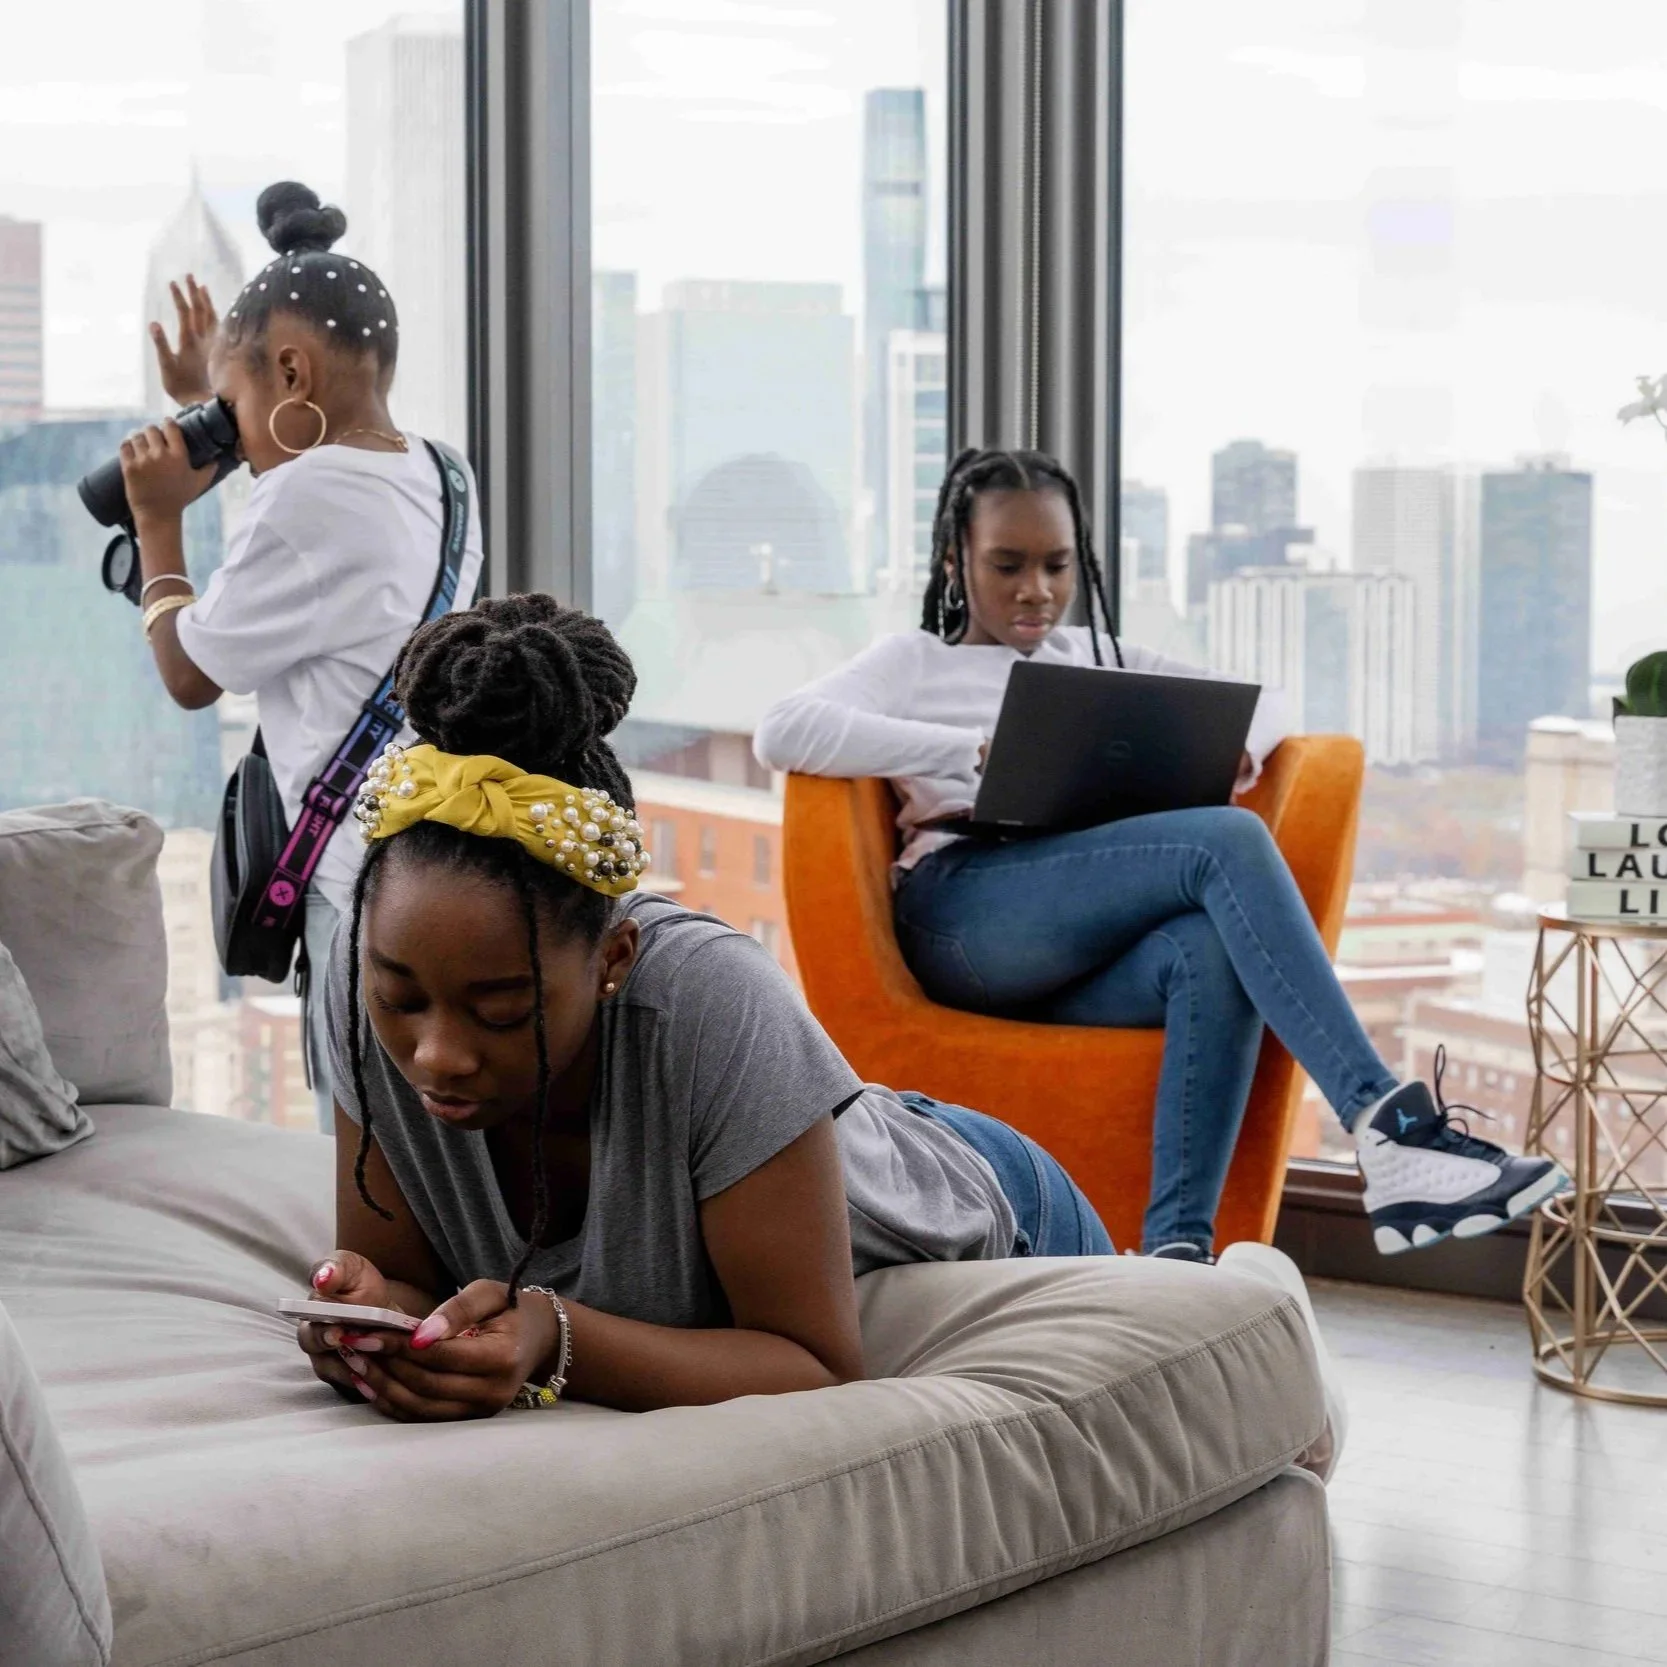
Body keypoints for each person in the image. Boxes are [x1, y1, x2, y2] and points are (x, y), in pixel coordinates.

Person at [291, 593, 1340, 1463]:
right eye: (401, 999)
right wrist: (378, 1316)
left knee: (1244, 1420)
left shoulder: (706, 999)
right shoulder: (357, 978)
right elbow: (404, 1272)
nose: (435, 1051)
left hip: (982, 1214)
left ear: (611, 961)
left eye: (502, 1009)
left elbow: (815, 1364)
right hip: (849, 1167)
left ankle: (1249, 1293)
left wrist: (556, 1338)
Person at [754, 447, 1569, 1261]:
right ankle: (1387, 1128)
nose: (1034, 589)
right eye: (1005, 565)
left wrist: (1221, 754)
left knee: (1206, 950)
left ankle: (1175, 1253)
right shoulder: (915, 662)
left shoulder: (1096, 659)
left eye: (1055, 564)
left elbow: (1267, 704)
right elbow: (783, 729)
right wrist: (973, 751)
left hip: (1078, 933)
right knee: (1226, 842)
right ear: (953, 560)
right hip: (966, 914)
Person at [117, 181, 486, 1132]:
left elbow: (190, 672)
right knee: (429, 1155)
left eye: (233, 405)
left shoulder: (302, 500)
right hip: (431, 866)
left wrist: (157, 523)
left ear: (290, 372)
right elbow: (316, 512)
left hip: (351, 890)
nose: (227, 434)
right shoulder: (445, 473)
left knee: (360, 1156)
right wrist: (214, 396)